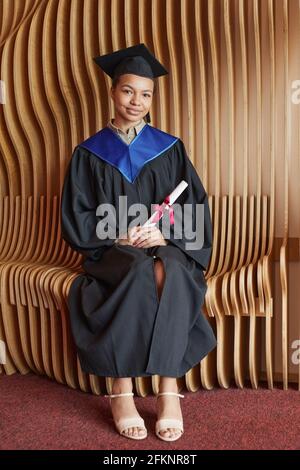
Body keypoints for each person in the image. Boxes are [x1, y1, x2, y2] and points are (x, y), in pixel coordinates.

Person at [61, 43, 217, 442]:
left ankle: (168, 390)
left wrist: (164, 233)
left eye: (146, 94)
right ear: (113, 92)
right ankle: (121, 389)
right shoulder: (88, 153)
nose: (137, 101)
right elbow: (77, 218)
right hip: (113, 250)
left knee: (172, 268)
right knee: (135, 267)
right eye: (129, 91)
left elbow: (195, 206)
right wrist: (118, 233)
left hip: (163, 242)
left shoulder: (169, 148)